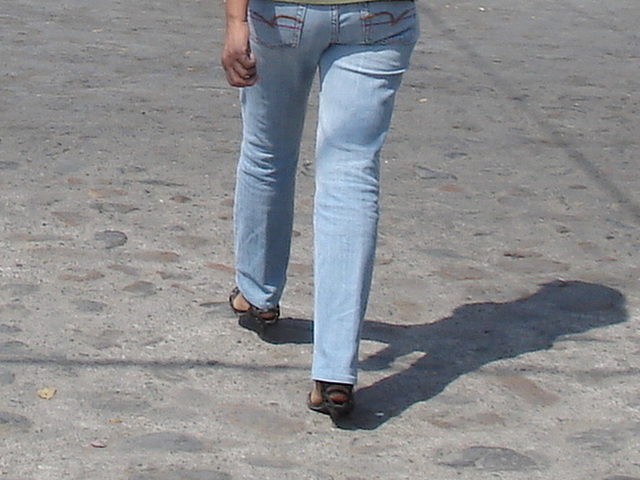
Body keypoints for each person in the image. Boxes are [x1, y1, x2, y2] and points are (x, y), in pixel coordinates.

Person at [221, 0, 419, 422]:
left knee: (266, 151)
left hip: (284, 14)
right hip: (380, 16)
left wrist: (235, 21)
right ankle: (335, 372)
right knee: (351, 172)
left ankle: (257, 293)